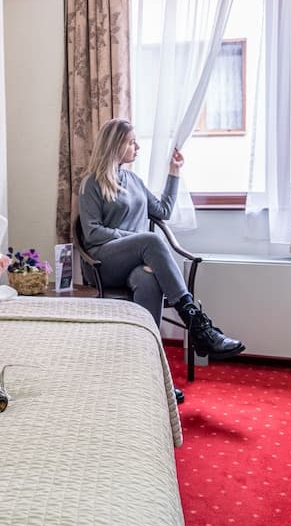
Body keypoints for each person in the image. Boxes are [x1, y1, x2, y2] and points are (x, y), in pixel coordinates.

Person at [79, 118, 246, 364]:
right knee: (150, 241)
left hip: (135, 263)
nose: (137, 147)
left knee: (148, 280)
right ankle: (198, 325)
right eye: (131, 142)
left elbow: (163, 211)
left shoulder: (134, 181)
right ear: (115, 145)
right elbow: (92, 233)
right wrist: (137, 242)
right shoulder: (91, 183)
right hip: (103, 263)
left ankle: (149, 363)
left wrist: (174, 172)